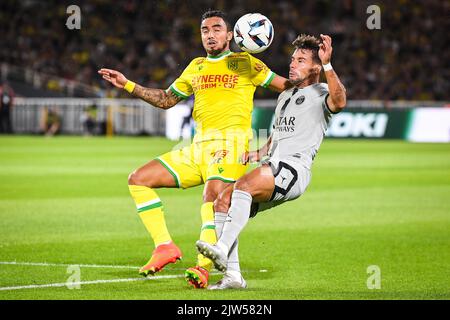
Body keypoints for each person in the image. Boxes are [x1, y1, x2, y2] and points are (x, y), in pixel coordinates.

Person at [98, 10, 291, 288]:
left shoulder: (245, 63)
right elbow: (166, 99)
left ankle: (202, 268)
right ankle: (164, 246)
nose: (210, 35)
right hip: (197, 147)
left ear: (230, 35)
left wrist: (314, 74)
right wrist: (128, 84)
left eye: (216, 29)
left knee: (212, 198)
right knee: (138, 179)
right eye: (204, 30)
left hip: (231, 146)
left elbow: (285, 87)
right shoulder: (196, 66)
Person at [196, 34, 347, 289]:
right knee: (221, 201)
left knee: (243, 185)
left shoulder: (322, 92)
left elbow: (340, 101)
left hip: (293, 169)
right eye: (292, 59)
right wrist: (260, 151)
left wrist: (329, 65)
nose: (292, 64)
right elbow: (278, 135)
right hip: (273, 164)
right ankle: (233, 277)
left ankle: (221, 247)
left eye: (301, 60)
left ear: (315, 67)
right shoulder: (285, 96)